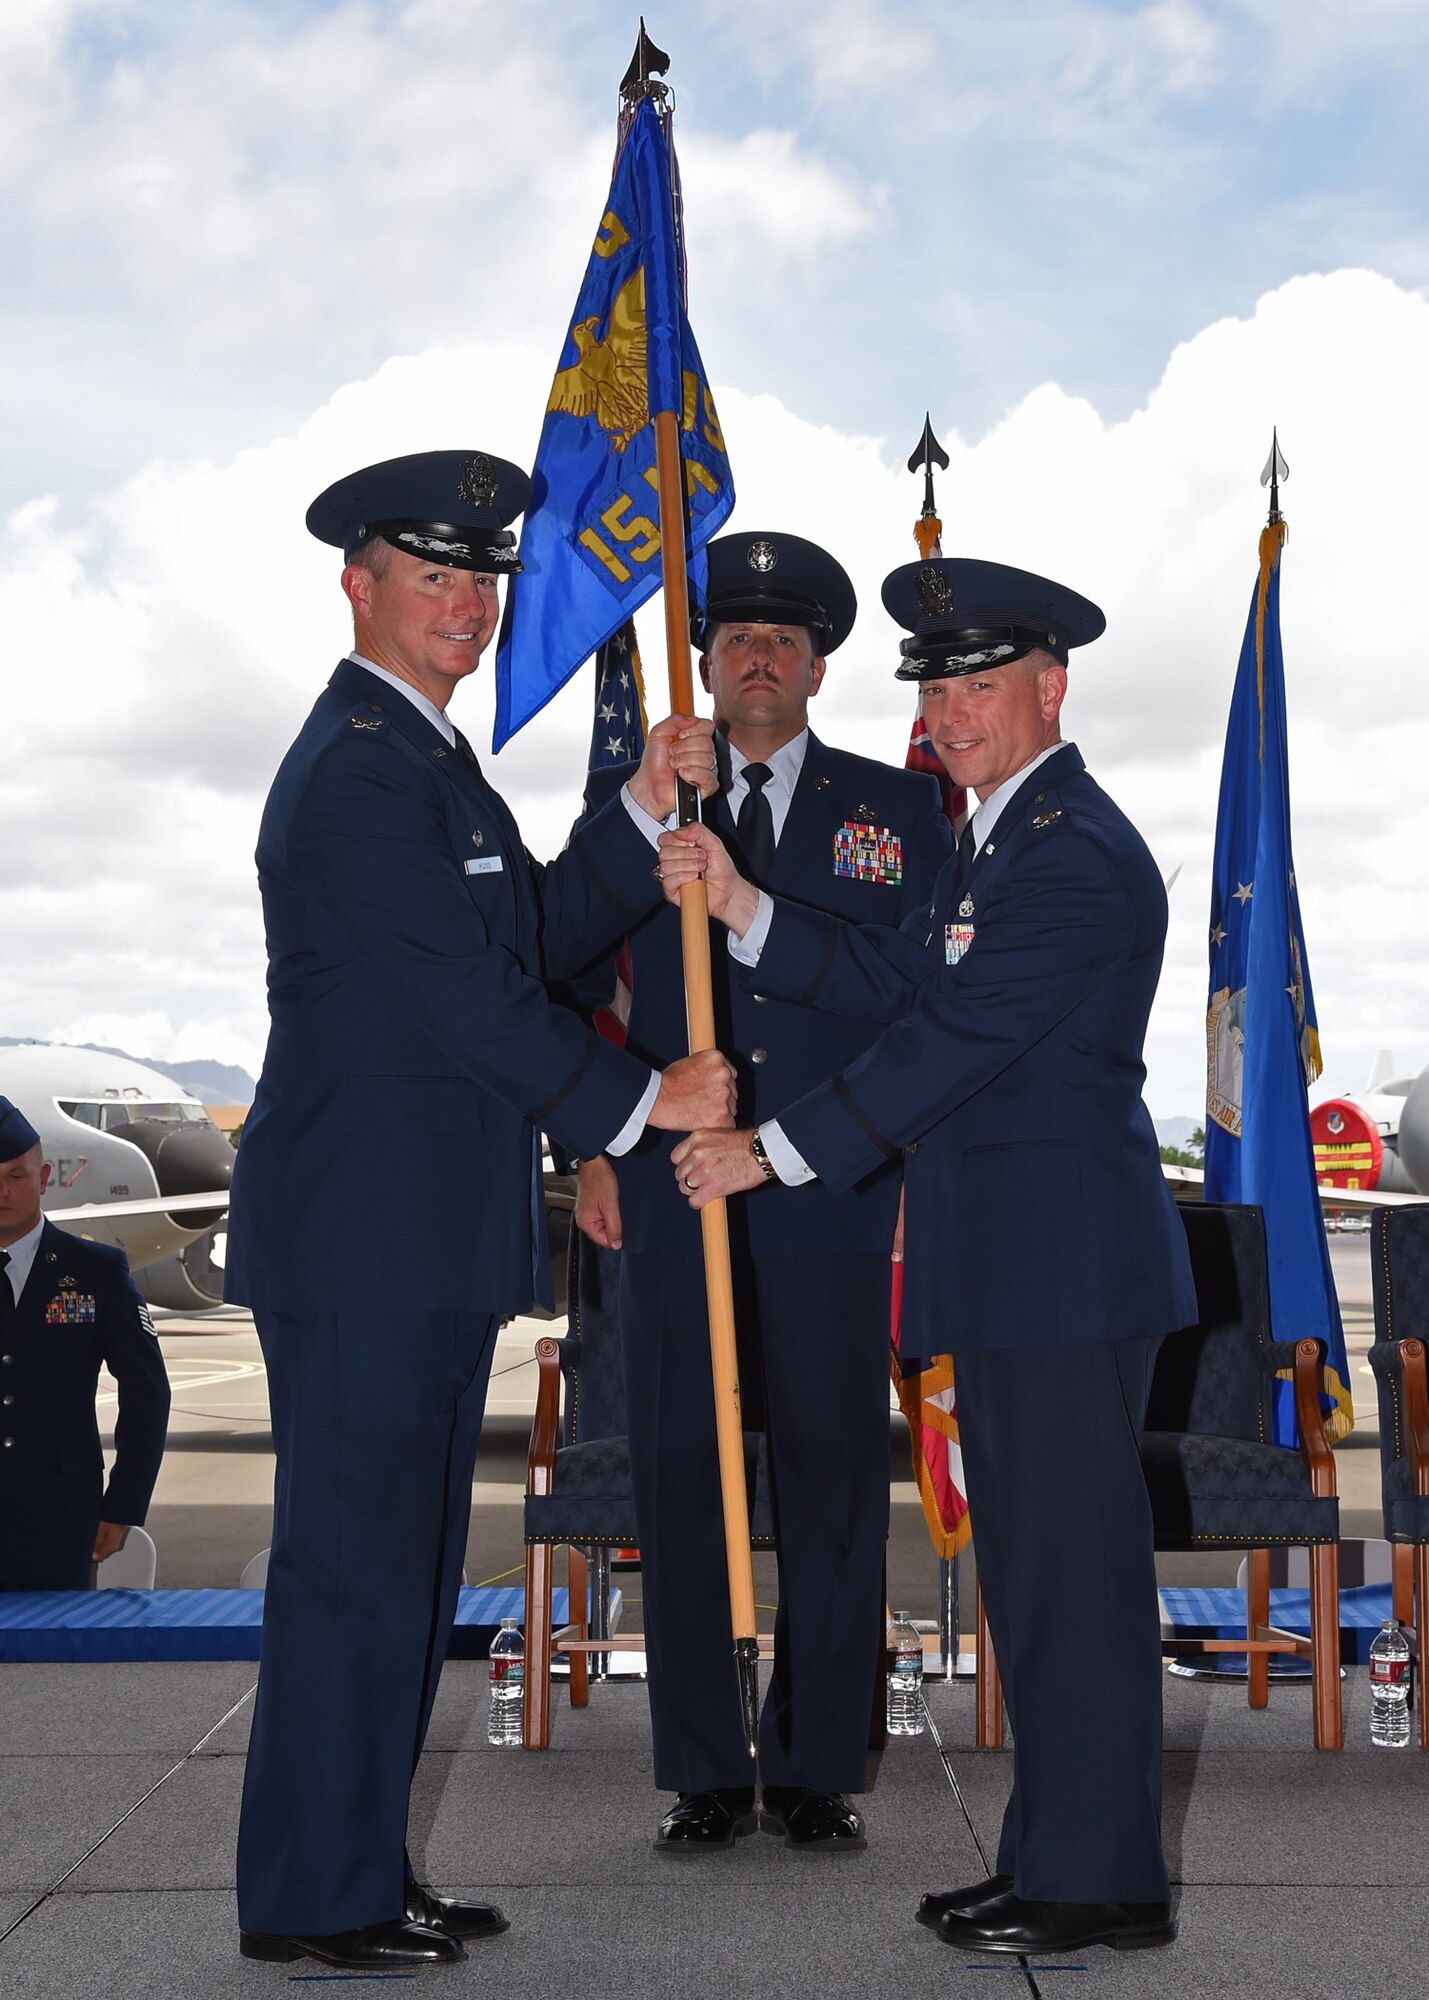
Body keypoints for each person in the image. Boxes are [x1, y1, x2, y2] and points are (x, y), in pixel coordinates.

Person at [224, 450, 734, 1974]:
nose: (465, 602)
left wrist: (642, 808)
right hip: (367, 1243)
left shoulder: (428, 759)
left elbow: (528, 935)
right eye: (431, 574)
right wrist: (646, 1108)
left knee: (397, 1577)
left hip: (420, 1244)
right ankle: (317, 1897)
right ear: (357, 585)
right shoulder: (358, 769)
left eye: (479, 578)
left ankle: (357, 1872)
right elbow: (464, 999)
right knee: (349, 1576)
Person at [660, 556, 1197, 1958]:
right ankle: (1054, 1856)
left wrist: (768, 1151)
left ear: (1050, 687)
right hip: (1017, 1265)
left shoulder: (1072, 852)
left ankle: (1099, 1884)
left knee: (1072, 1577)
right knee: (1035, 1574)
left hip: (1062, 1269)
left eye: (981, 683)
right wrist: (744, 911)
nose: (954, 712)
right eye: (939, 686)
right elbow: (909, 978)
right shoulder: (992, 840)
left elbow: (950, 1044)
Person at [572, 531, 951, 1853]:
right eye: (734, 638)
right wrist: (601, 1153)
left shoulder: (893, 815)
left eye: (783, 642)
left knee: (835, 1481)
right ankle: (698, 1765)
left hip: (827, 1188)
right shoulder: (646, 809)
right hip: (675, 1188)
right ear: (705, 662)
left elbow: (910, 999)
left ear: (819, 669)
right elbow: (580, 991)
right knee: (679, 1472)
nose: (757, 658)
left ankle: (815, 1768)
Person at [0, 1096, 170, 1591]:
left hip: (57, 1514)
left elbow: (147, 1391)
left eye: (15, 1175)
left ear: (44, 1176)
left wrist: (123, 1504)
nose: (3, 1190)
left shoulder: (95, 1271)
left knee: (55, 1659)